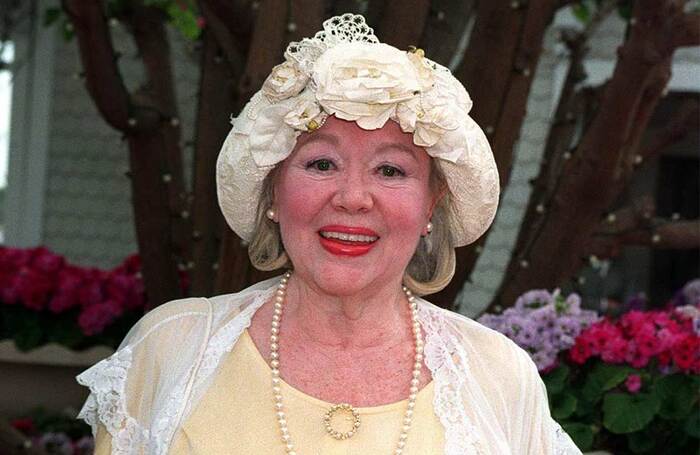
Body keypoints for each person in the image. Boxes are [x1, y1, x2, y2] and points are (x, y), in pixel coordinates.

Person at [76, 13, 582, 455]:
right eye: (321, 163)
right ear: (272, 191)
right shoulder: (172, 350)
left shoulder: (498, 375)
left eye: (391, 171)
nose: (353, 197)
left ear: (432, 203)